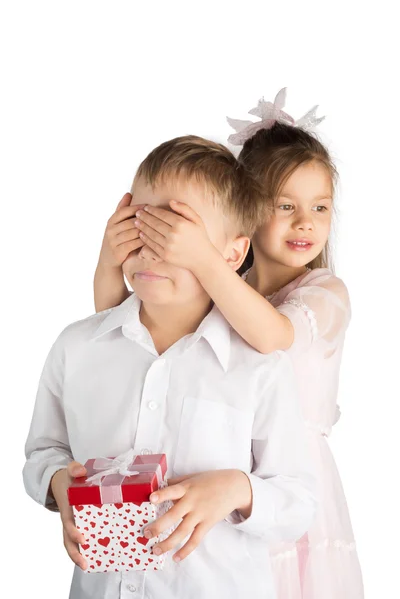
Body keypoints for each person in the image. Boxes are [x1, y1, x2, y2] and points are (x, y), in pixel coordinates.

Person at [93, 89, 364, 598]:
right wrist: (112, 261)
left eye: (320, 207)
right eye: (284, 205)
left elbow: (273, 339)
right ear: (247, 212)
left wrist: (203, 260)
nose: (305, 221)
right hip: (213, 464)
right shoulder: (222, 289)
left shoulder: (324, 293)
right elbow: (116, 330)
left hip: (286, 478)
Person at [23, 135, 316, 599]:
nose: (153, 245)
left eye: (175, 228)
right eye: (141, 223)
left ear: (232, 255)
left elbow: (299, 499)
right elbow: (43, 452)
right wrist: (60, 484)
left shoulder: (257, 368)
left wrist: (236, 489)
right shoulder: (77, 348)